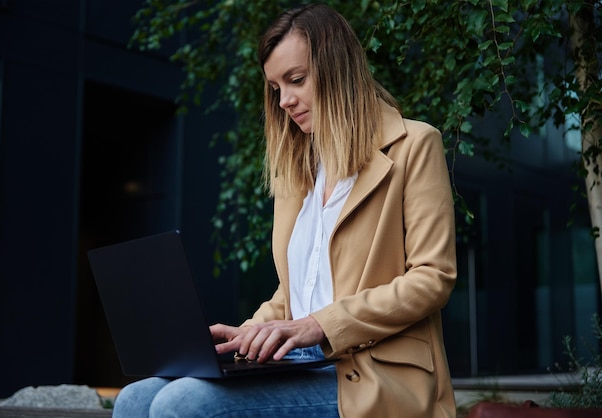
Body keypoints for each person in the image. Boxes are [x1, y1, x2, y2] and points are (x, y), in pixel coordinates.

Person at [112, 3, 457, 417]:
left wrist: (320, 324)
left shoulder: (415, 145)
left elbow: (432, 279)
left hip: (373, 372)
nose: (285, 101)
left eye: (296, 80)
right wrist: (250, 333)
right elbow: (295, 291)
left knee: (182, 405)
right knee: (135, 398)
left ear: (338, 70)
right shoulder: (296, 171)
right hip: (301, 363)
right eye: (276, 88)